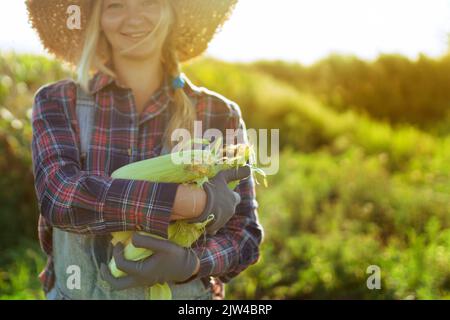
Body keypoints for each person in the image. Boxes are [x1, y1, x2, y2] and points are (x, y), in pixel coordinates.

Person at [27, 0, 263, 300]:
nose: (133, 17)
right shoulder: (57, 101)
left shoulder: (218, 113)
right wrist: (190, 202)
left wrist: (192, 263)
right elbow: (60, 197)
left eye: (148, 2)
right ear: (98, 19)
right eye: (115, 5)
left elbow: (245, 237)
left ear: (171, 12)